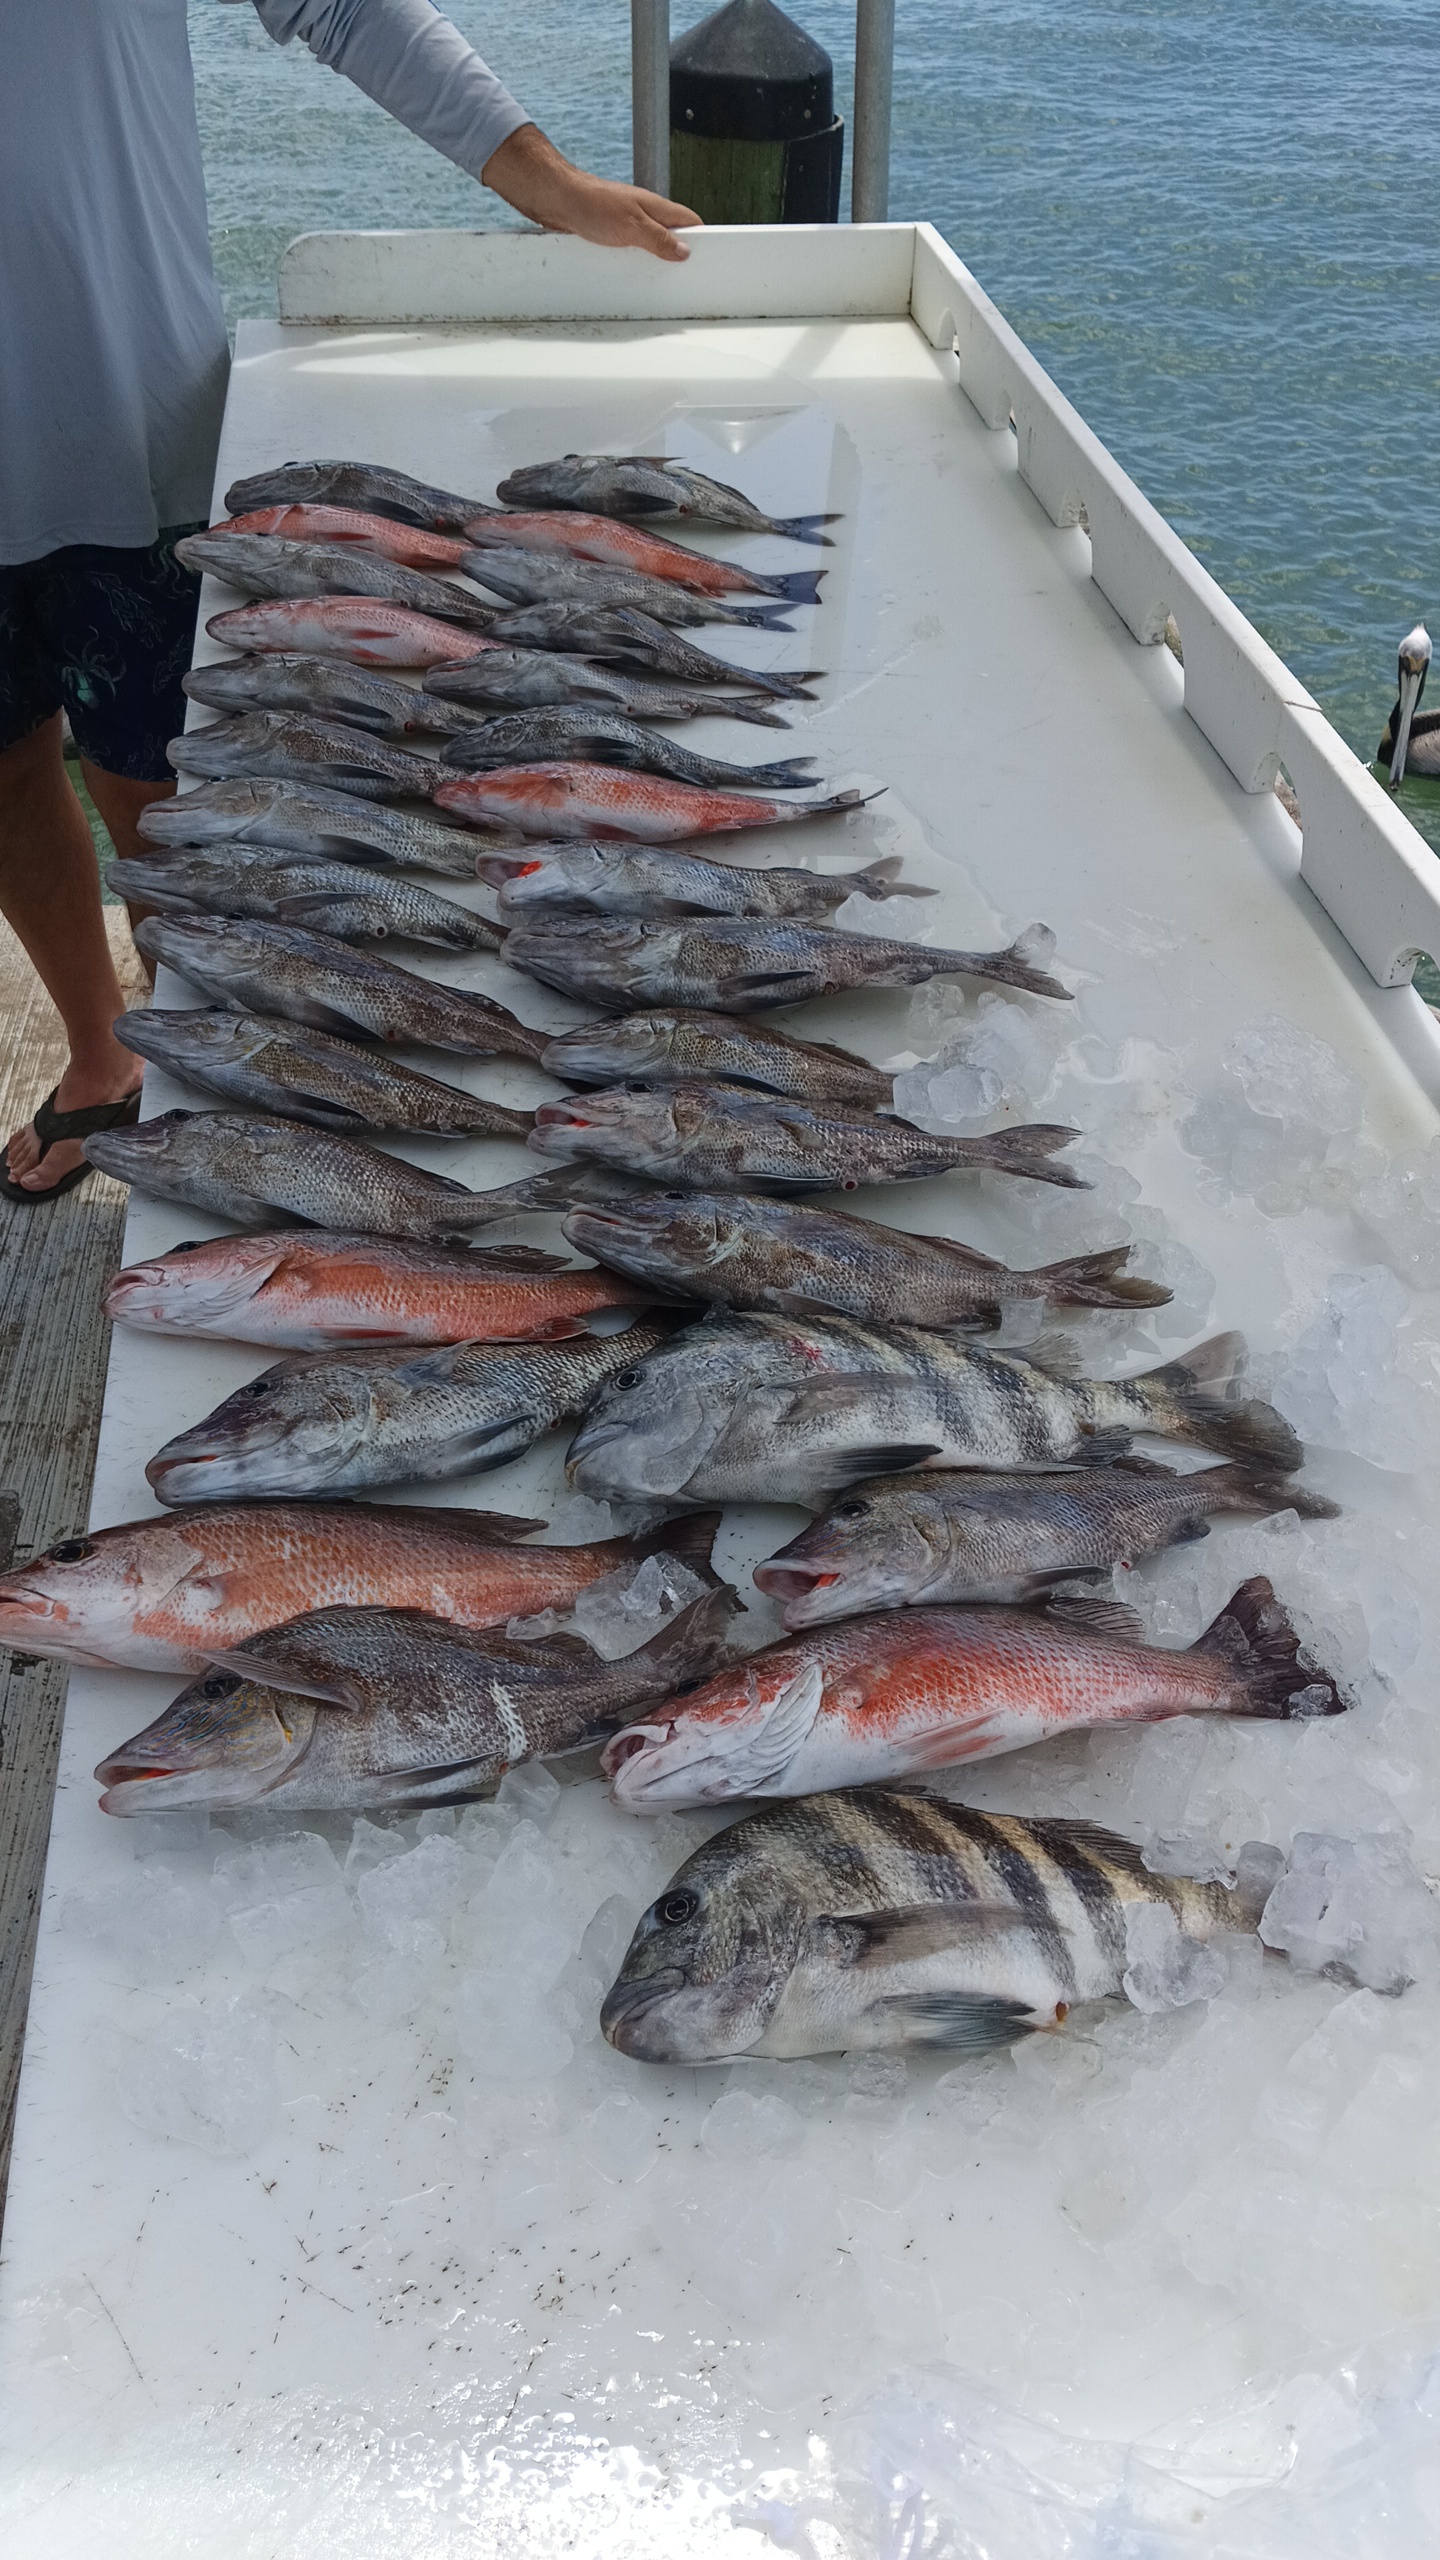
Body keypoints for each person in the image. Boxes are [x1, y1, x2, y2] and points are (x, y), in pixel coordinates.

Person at [0, 0, 699, 1200]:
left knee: (170, 778)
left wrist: (542, 180)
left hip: (118, 423)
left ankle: (226, 1055)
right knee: (4, 766)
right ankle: (106, 1048)